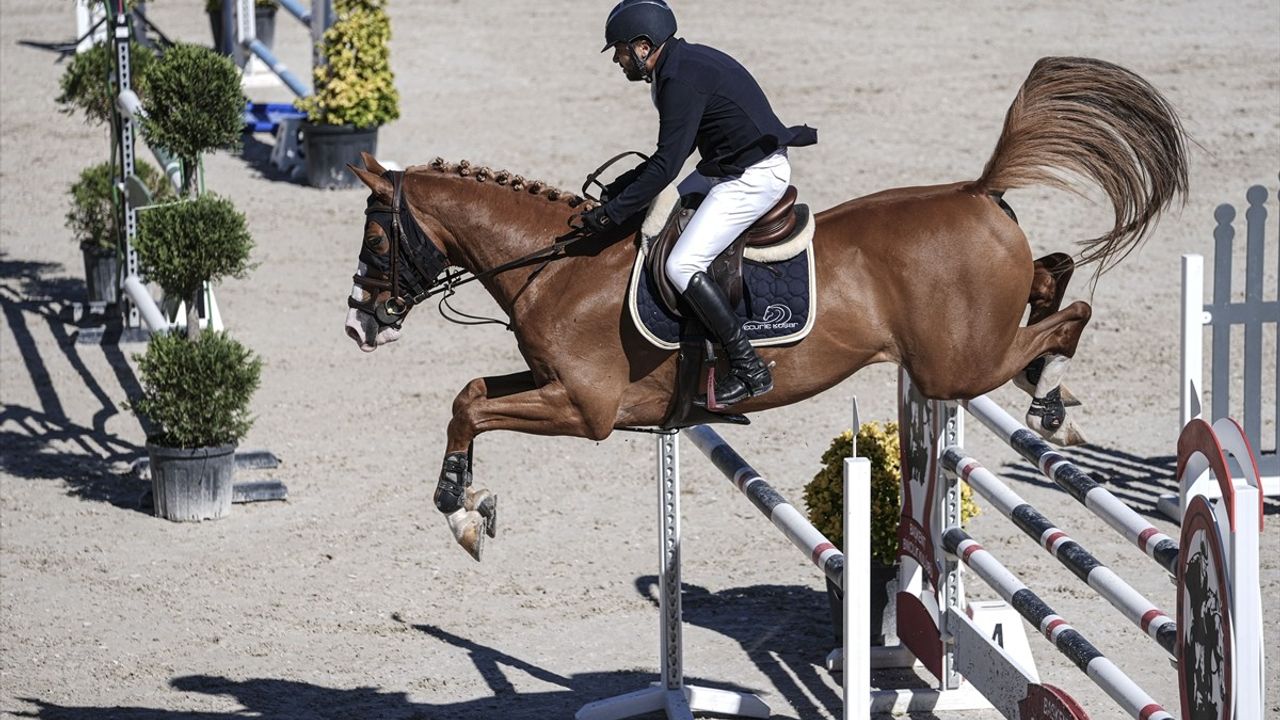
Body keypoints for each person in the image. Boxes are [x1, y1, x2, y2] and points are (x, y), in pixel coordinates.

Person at [578, 0, 816, 408]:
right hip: (725, 166)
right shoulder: (675, 65)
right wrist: (619, 190)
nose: (617, 61)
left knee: (680, 264)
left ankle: (748, 367)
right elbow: (671, 158)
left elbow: (667, 164)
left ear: (642, 46)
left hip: (752, 177)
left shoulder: (680, 79)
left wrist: (614, 211)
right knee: (658, 216)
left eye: (619, 51)